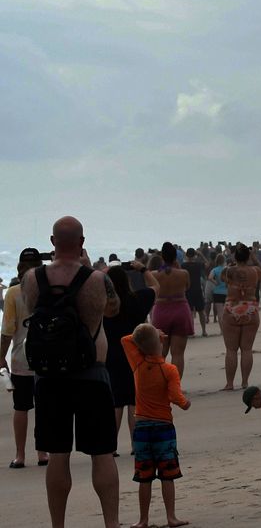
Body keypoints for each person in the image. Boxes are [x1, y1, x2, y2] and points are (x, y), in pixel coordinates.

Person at [21, 217, 121, 528]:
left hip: (49, 376)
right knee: (102, 453)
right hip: (92, 372)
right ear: (81, 242)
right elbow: (113, 310)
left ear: (52, 242)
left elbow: (31, 312)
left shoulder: (31, 279)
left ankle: (58, 525)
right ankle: (111, 523)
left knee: (58, 453)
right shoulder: (96, 280)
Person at [122, 324, 190, 528]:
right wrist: (185, 404)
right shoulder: (169, 370)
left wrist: (149, 336)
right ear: (161, 342)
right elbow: (175, 396)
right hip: (163, 427)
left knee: (144, 476)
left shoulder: (138, 364)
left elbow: (125, 340)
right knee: (167, 474)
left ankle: (143, 519)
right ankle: (171, 517)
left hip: (141, 428)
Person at [103, 265, 157, 457]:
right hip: (135, 354)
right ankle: (136, 444)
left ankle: (111, 445)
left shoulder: (104, 305)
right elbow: (155, 286)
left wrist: (100, 275)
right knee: (134, 401)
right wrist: (143, 270)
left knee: (116, 403)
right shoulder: (137, 299)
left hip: (110, 355)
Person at [1, 248, 48, 468]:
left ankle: (20, 455)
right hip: (48, 359)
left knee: (21, 407)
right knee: (44, 407)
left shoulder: (13, 293)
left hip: (20, 359)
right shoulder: (48, 290)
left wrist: (1, 357)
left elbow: (8, 331)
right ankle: (42, 452)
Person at [143, 242, 193, 378]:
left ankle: (161, 383)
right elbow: (187, 287)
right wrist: (177, 267)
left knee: (160, 352)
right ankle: (176, 385)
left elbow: (150, 287)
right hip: (180, 308)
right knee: (178, 354)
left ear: (162, 257)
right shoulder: (183, 273)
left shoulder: (154, 274)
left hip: (161, 309)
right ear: (175, 257)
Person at [221, 244, 261, 391]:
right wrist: (253, 258)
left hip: (232, 307)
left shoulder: (228, 270)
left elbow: (223, 279)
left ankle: (230, 383)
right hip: (250, 308)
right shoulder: (255, 271)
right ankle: (245, 382)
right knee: (247, 349)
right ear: (248, 256)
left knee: (231, 350)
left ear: (235, 257)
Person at [181, 249, 207, 337]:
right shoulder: (198, 265)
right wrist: (201, 255)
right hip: (198, 289)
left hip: (188, 290)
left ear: (187, 256)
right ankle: (204, 331)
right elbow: (207, 264)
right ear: (194, 255)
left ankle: (192, 332)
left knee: (190, 312)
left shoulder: (183, 265)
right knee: (201, 312)